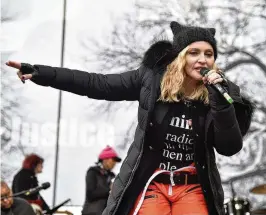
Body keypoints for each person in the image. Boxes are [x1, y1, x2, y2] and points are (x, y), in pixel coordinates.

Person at [6, 21, 254, 215]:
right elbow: (97, 83)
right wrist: (41, 73)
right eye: (194, 52)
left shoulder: (221, 93)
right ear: (180, 57)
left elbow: (229, 147)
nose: (203, 59)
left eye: (209, 54)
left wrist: (220, 103)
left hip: (192, 185)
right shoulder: (151, 80)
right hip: (153, 182)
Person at [82, 146, 121, 215]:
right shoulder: (92, 172)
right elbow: (90, 194)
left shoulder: (112, 175)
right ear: (105, 159)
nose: (114, 163)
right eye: (113, 160)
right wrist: (110, 189)